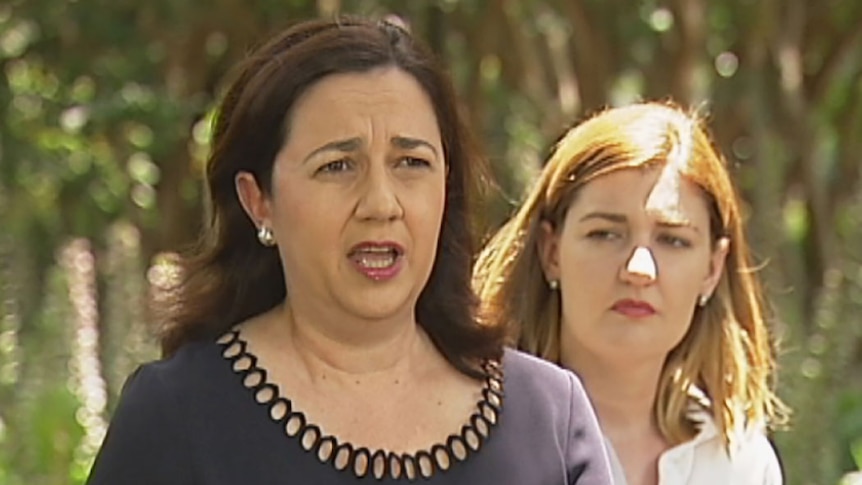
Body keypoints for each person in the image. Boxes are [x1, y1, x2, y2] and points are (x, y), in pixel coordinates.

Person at [86, 16, 613, 484]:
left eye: (411, 163)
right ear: (258, 200)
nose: (381, 204)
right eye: (337, 166)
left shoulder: (547, 416)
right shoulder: (178, 416)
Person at [474, 102, 790, 485]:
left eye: (673, 240)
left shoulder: (740, 462)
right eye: (606, 234)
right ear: (551, 251)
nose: (638, 269)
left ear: (712, 268)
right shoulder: (477, 440)